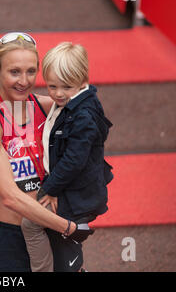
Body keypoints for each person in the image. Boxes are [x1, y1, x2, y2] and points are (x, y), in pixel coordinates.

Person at [0, 33, 93, 272]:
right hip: (13, 237)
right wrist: (68, 227)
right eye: (14, 72)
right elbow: (10, 197)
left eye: (31, 71)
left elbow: (89, 121)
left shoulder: (47, 106)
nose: (24, 81)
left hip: (51, 231)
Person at [21, 42, 113, 272]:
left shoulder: (83, 116)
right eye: (52, 86)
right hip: (68, 188)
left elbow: (74, 161)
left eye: (66, 87)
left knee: (32, 223)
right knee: (53, 237)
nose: (58, 93)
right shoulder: (71, 101)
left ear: (83, 81)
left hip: (75, 195)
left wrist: (50, 189)